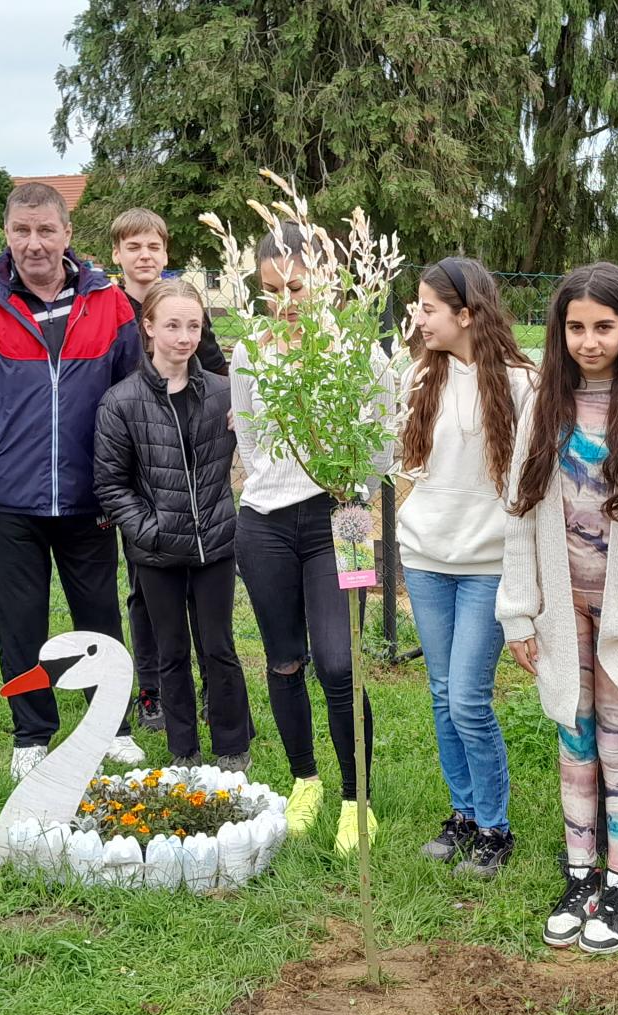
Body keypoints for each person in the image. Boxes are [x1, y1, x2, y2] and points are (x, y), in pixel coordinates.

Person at [498, 262, 618, 954]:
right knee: (572, 738)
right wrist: (519, 611)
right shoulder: (542, 408)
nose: (588, 341)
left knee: (617, 742)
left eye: (603, 326)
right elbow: (519, 517)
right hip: (562, 608)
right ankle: (579, 875)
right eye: (575, 327)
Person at [0, 183, 145, 779]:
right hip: (8, 500)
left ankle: (112, 726)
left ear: (67, 234)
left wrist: (124, 479)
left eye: (46, 230)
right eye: (22, 231)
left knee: (98, 618)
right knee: (19, 622)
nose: (34, 243)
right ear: (6, 234)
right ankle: (31, 733)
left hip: (90, 496)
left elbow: (134, 395)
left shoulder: (109, 303)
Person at [232, 224, 387, 853]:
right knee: (284, 659)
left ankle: (356, 798)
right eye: (270, 290)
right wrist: (275, 483)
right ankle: (305, 781)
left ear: (325, 281)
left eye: (295, 288)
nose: (284, 302)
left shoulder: (361, 353)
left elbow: (380, 442)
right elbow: (248, 439)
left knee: (340, 662)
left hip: (342, 520)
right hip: (263, 523)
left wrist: (352, 492)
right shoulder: (251, 352)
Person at [397, 258, 535, 878]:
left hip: (487, 565)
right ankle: (463, 814)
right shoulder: (418, 377)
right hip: (425, 558)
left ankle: (494, 828)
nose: (420, 319)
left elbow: (531, 481)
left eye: (429, 308)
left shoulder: (522, 384)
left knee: (469, 701)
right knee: (441, 694)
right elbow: (400, 461)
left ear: (467, 313)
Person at [93, 279, 251, 771]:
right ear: (148, 328)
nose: (184, 337)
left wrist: (248, 421)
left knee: (219, 647)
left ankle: (232, 747)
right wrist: (148, 530)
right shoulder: (121, 402)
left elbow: (262, 444)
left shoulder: (225, 395)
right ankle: (184, 750)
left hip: (215, 545)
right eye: (173, 326)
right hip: (157, 551)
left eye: (194, 326)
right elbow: (110, 483)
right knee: (171, 651)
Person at [108, 208, 225, 733]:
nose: (145, 256)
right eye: (134, 247)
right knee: (145, 589)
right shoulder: (108, 308)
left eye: (153, 246)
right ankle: (152, 689)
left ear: (165, 252)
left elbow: (217, 374)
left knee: (204, 596)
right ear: (118, 254)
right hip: (139, 470)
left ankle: (210, 686)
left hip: (189, 468)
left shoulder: (186, 307)